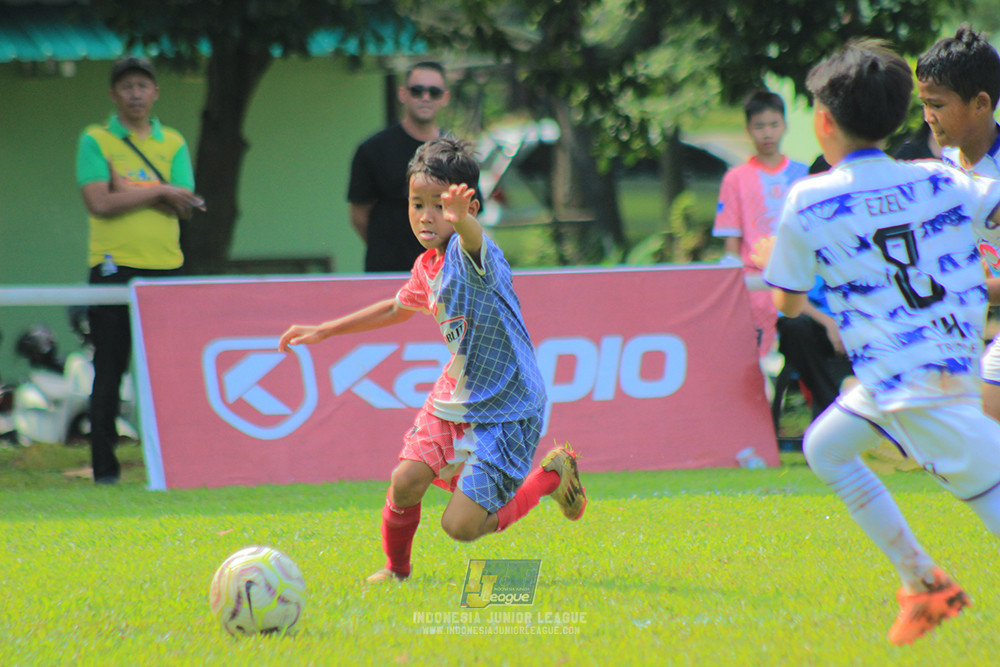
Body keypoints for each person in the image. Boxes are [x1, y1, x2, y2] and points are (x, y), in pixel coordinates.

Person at [760, 39, 1000, 645]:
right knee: (826, 446)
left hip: (920, 392)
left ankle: (924, 584)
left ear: (821, 121)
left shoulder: (808, 199)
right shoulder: (937, 178)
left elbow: (787, 304)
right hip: (908, 374)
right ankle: (924, 583)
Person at [281, 137, 586, 583]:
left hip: (510, 408)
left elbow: (474, 239)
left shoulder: (474, 253)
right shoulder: (428, 265)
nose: (425, 216)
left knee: (460, 528)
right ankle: (396, 572)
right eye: (416, 203)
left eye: (438, 205)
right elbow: (395, 308)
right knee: (405, 480)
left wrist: (463, 223)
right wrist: (326, 330)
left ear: (469, 208)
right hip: (457, 396)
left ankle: (550, 478)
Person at [76, 57, 203, 484]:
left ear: (155, 93)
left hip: (166, 269)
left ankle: (175, 467)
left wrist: (128, 188)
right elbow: (99, 203)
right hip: (112, 268)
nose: (135, 93)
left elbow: (185, 202)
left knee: (171, 373)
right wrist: (161, 191)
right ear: (114, 94)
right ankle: (105, 472)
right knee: (109, 370)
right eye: (126, 86)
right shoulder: (95, 139)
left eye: (142, 86)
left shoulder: (173, 141)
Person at [916, 26, 1000, 424]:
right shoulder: (948, 168)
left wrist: (954, 289)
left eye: (938, 105)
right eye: (924, 104)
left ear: (981, 103)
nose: (928, 117)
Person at [713, 90, 809, 356]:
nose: (767, 133)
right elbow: (731, 241)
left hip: (798, 281)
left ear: (785, 126)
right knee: (759, 357)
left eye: (773, 125)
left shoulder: (803, 175)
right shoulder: (735, 178)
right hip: (755, 286)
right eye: (759, 126)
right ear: (748, 129)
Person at [348, 61, 451, 272]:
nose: (425, 97)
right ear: (403, 94)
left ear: (445, 98)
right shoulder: (372, 150)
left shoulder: (456, 154)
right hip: (387, 273)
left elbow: (470, 214)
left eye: (434, 92)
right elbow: (358, 215)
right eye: (417, 91)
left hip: (444, 274)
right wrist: (385, 248)